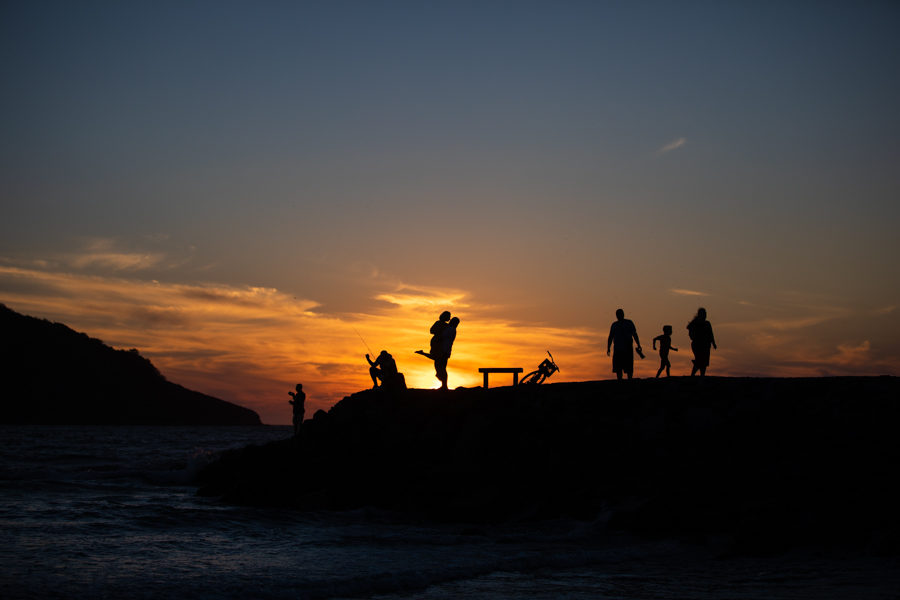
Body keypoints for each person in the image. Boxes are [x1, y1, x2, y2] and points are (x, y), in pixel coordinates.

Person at [607, 308, 643, 380]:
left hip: (627, 347)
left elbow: (634, 334)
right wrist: (608, 348)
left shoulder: (628, 323)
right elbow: (610, 337)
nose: (620, 316)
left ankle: (629, 379)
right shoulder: (614, 325)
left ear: (623, 314)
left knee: (628, 366)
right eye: (618, 314)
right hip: (618, 348)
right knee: (618, 367)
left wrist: (638, 344)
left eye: (621, 314)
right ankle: (620, 380)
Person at [687, 307, 717, 377]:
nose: (705, 315)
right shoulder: (695, 323)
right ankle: (693, 375)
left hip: (706, 345)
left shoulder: (707, 323)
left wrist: (713, 343)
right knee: (699, 361)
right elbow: (690, 331)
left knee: (704, 362)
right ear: (700, 314)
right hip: (697, 345)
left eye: (705, 313)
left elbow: (711, 334)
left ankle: (702, 375)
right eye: (704, 314)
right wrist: (694, 337)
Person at [433, 316, 459, 390]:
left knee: (441, 368)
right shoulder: (451, 329)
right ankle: (444, 385)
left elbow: (442, 336)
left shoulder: (450, 329)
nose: (449, 321)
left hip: (444, 351)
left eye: (451, 321)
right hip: (445, 351)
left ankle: (444, 385)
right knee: (441, 368)